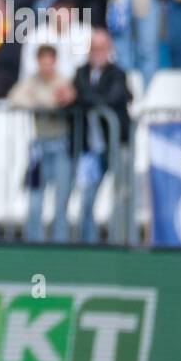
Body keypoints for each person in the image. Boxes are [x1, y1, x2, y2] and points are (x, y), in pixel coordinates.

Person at [9, 44, 77, 243]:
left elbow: (63, 99)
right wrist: (40, 103)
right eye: (42, 63)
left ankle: (60, 243)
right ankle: (34, 242)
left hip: (60, 145)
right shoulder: (33, 80)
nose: (46, 67)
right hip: (39, 146)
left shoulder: (63, 80)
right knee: (35, 198)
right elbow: (15, 97)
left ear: (55, 62)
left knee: (61, 199)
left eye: (49, 63)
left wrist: (43, 103)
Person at [73, 27, 132, 243]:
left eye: (102, 48)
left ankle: (121, 241)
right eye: (93, 48)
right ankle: (87, 244)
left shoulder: (118, 73)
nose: (97, 53)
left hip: (116, 145)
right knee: (87, 198)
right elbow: (77, 96)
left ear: (109, 49)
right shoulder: (81, 72)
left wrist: (87, 97)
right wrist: (88, 97)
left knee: (121, 195)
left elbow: (113, 98)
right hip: (91, 148)